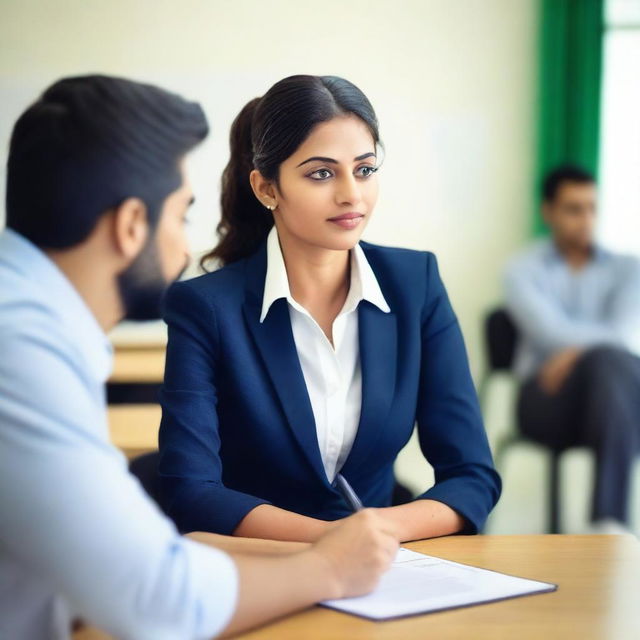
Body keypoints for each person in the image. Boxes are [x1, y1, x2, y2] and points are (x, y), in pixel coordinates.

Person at [0, 75, 400, 640]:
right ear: (132, 224)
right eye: (181, 215)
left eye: (364, 169)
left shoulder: (27, 322)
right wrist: (331, 566)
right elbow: (158, 601)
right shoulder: (21, 351)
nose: (187, 248)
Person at [158, 74, 501, 543]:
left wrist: (375, 531)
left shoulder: (415, 285)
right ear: (267, 189)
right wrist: (332, 543)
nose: (351, 195)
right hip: (258, 570)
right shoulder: (204, 308)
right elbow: (190, 491)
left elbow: (472, 476)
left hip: (380, 569)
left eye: (364, 169)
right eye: (321, 173)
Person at [505, 165, 640, 533]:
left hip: (611, 404)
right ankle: (610, 523)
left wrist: (578, 353)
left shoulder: (630, 269)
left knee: (611, 365)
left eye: (592, 208)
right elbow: (550, 333)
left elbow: (626, 333)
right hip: (546, 398)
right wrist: (594, 349)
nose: (586, 219)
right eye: (574, 208)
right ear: (548, 212)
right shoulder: (522, 269)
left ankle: (608, 523)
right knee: (613, 362)